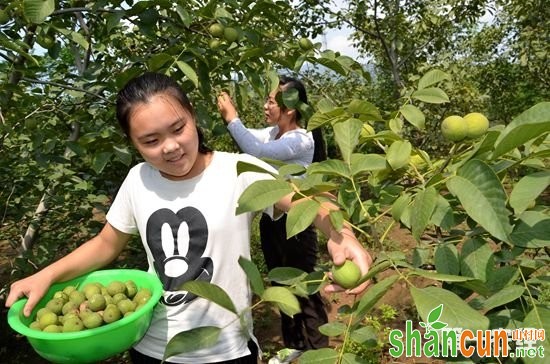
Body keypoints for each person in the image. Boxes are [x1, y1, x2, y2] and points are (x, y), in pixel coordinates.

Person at [6, 72, 372, 364]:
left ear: (193, 116)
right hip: (153, 347)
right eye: (150, 140)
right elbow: (106, 243)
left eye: (178, 129)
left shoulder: (239, 170)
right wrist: (46, 275)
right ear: (133, 143)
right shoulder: (138, 179)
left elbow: (307, 200)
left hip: (226, 349)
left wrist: (341, 234)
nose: (170, 146)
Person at [217, 76, 329, 362]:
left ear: (290, 109)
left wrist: (233, 118)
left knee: (304, 286)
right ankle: (293, 345)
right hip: (273, 221)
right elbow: (252, 139)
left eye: (271, 101)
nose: (266, 105)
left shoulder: (300, 140)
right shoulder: (272, 133)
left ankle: (320, 351)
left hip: (297, 223)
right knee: (279, 284)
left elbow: (257, 152)